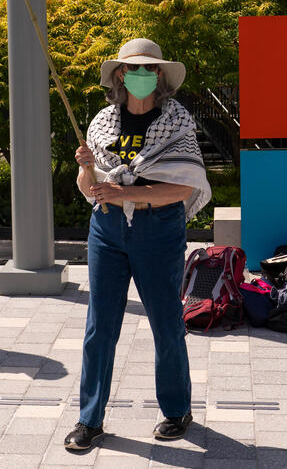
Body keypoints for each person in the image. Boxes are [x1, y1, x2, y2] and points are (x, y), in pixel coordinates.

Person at [65, 38, 212, 451]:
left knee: (166, 323)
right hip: (107, 230)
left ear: (161, 76)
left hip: (158, 230)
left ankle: (177, 409)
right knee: (99, 327)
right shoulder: (99, 124)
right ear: (119, 76)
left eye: (150, 69)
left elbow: (182, 187)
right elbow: (89, 190)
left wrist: (125, 194)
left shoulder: (178, 122)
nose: (142, 76)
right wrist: (88, 171)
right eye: (133, 69)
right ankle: (89, 419)